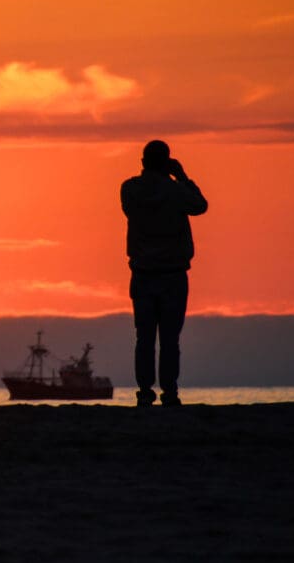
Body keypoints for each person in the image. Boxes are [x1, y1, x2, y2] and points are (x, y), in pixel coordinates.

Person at [121, 140, 208, 407]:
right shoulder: (176, 191)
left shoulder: (130, 189)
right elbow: (200, 206)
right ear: (167, 162)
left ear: (144, 162)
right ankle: (169, 392)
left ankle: (145, 392)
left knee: (144, 337)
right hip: (172, 274)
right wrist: (181, 176)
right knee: (170, 338)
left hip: (144, 272)